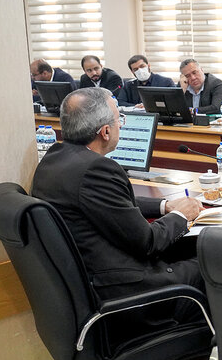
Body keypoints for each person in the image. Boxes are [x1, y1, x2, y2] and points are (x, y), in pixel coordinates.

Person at [31, 88, 205, 335]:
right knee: (216, 262)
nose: (121, 125)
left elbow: (113, 206)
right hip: (130, 295)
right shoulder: (97, 169)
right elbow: (148, 243)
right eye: (118, 119)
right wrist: (181, 215)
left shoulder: (55, 159)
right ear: (105, 131)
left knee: (191, 251)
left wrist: (164, 206)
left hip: (93, 282)